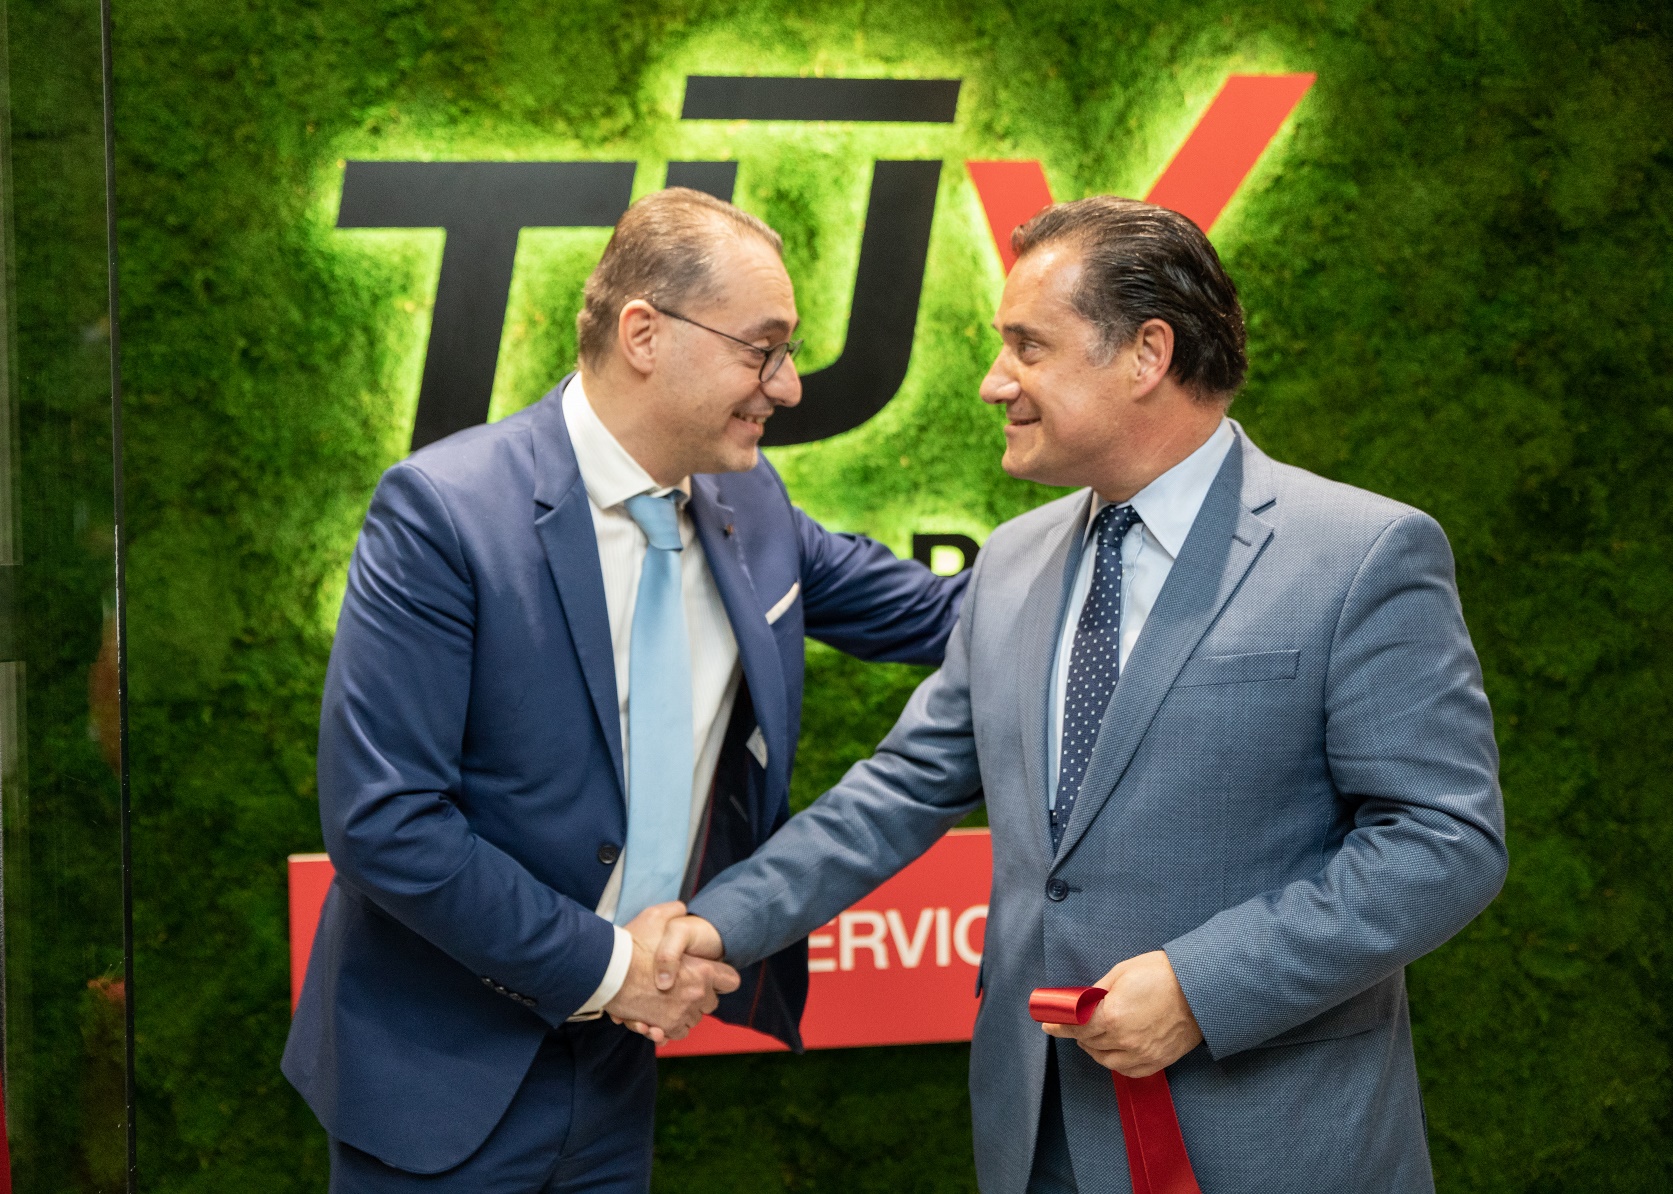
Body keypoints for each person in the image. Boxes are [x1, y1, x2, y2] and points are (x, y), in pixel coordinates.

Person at [654, 196, 1508, 1193]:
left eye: (1027, 346)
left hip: (1266, 1139)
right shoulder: (1013, 562)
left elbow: (1442, 842)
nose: (993, 381)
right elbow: (898, 791)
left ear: (1146, 354)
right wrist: (715, 925)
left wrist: (1199, 987)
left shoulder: (1360, 554)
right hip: (1037, 1134)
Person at [282, 187, 970, 1192]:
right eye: (762, 350)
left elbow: (951, 615)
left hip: (614, 1076)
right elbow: (385, 822)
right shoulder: (444, 514)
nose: (785, 387)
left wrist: (1126, 524)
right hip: (442, 1074)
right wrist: (613, 970)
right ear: (644, 334)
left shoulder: (750, 503)